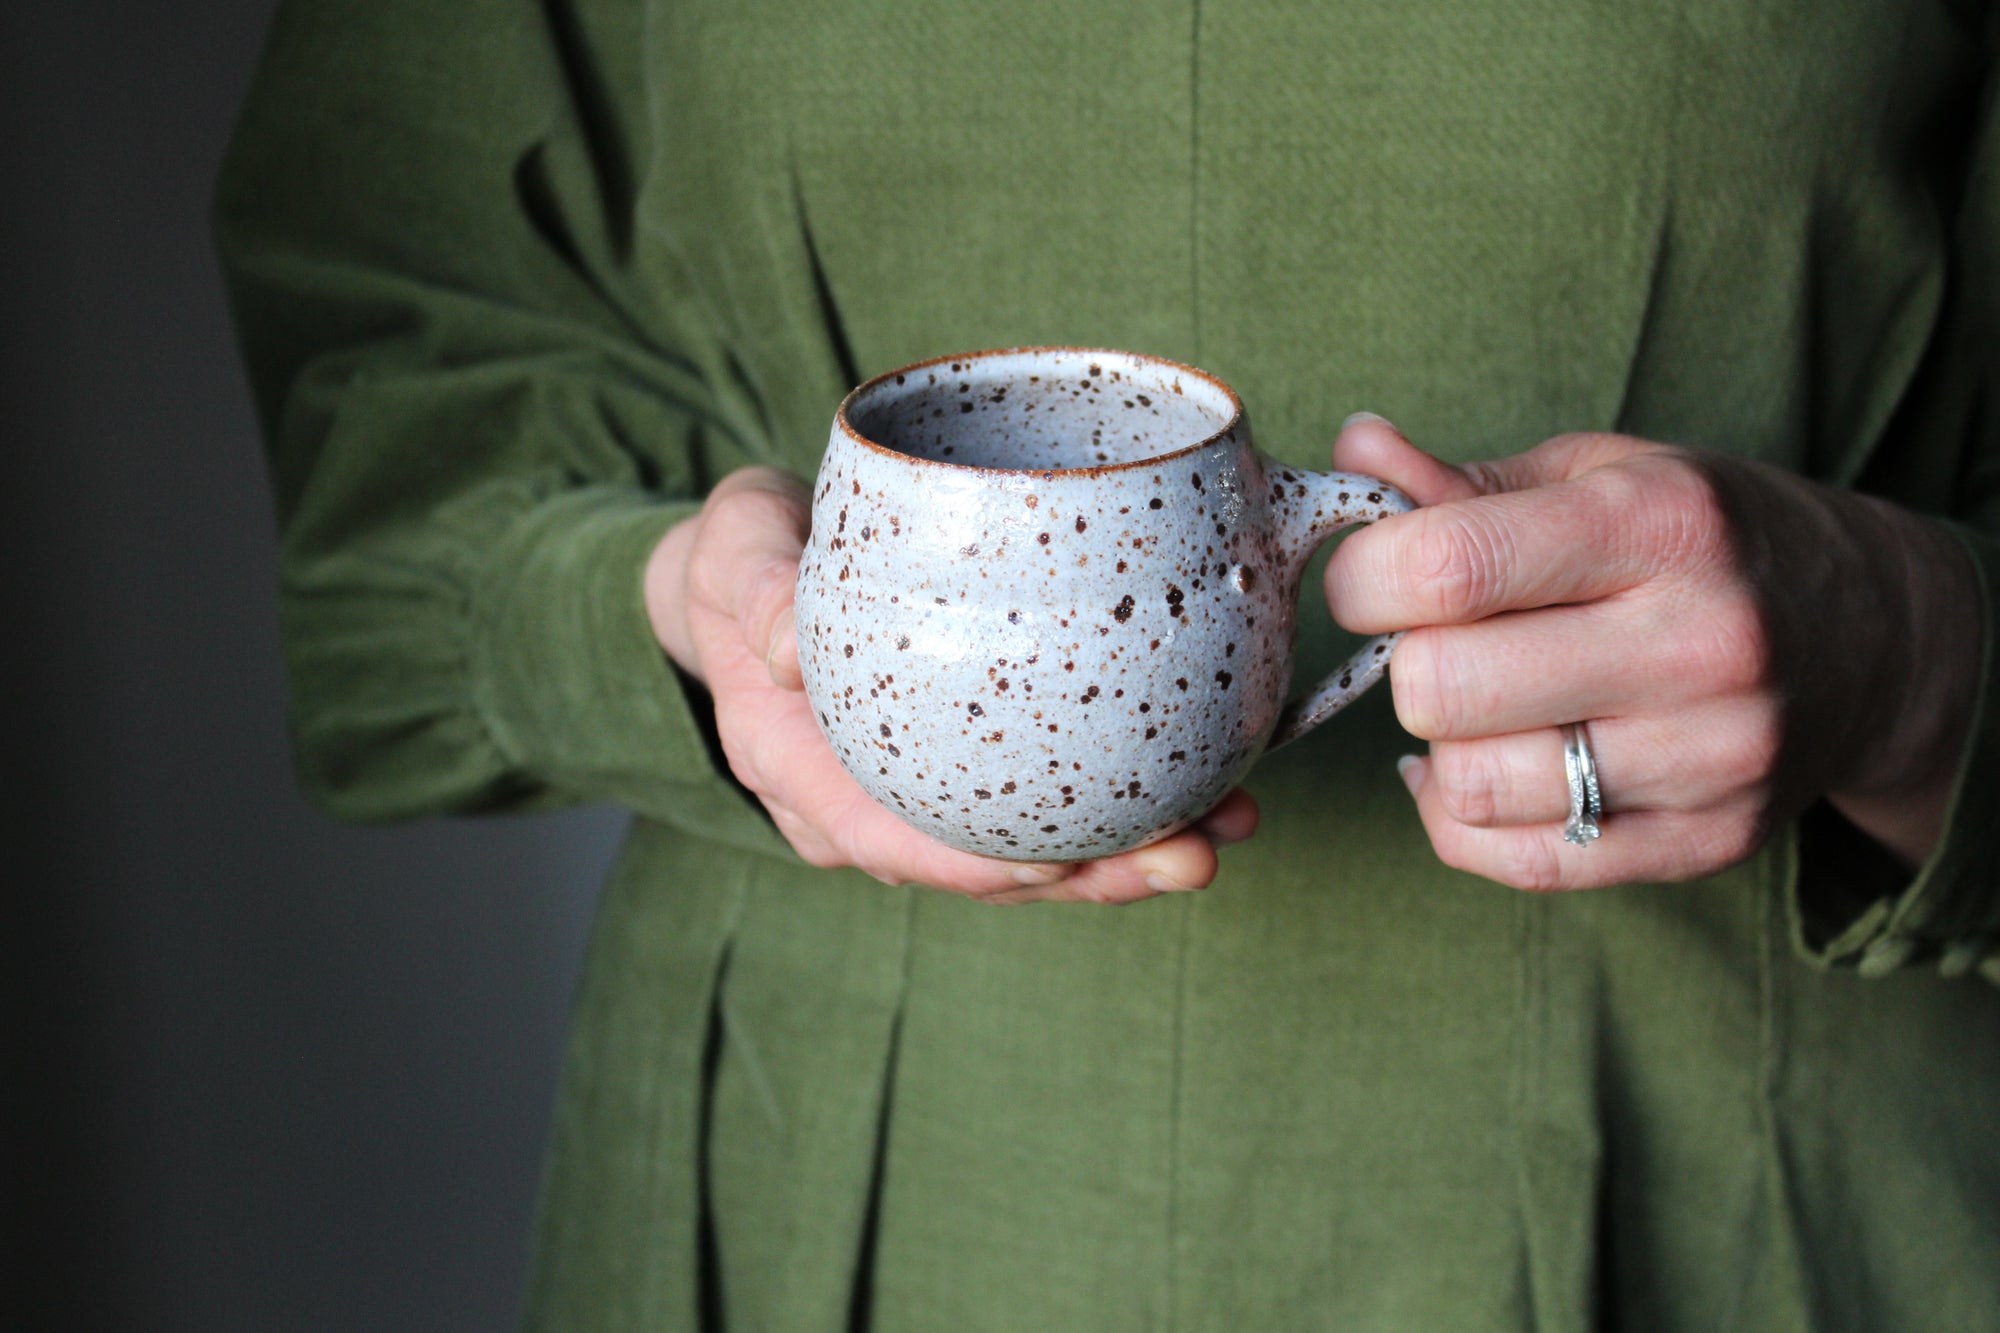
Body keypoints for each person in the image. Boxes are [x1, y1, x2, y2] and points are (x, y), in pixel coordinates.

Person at [216, 0, 2000, 1327]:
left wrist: (1912, 649)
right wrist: (679, 608)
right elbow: (389, 451)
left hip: (1751, 1203)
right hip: (829, 1194)